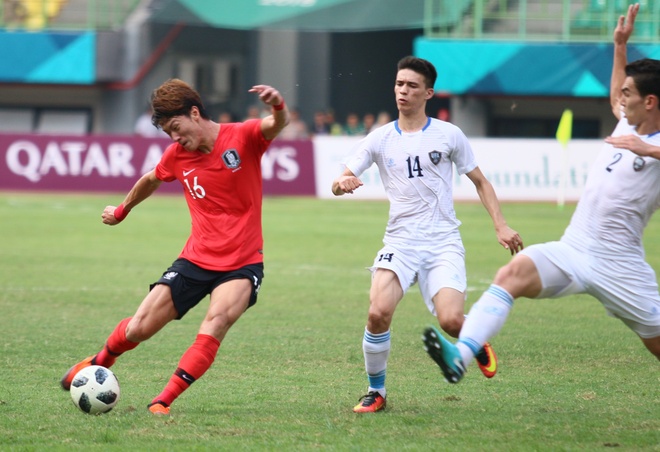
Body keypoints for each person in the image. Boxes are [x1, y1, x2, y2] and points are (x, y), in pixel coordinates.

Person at [423, 3, 660, 387]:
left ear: (649, 102)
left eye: (629, 93)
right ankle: (461, 356)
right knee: (511, 274)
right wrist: (620, 46)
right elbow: (617, 91)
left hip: (621, 267)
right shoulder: (626, 119)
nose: (620, 98)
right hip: (575, 249)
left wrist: (648, 149)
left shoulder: (650, 141)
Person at [60, 78, 290, 415]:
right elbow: (151, 179)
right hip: (194, 260)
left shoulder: (242, 137)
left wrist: (278, 106)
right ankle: (100, 360)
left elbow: (276, 124)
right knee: (140, 326)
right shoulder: (177, 155)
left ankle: (163, 400)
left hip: (242, 263)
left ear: (195, 113)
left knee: (215, 322)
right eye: (168, 133)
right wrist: (123, 211)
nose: (175, 138)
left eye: (176, 128)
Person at [332, 56, 523, 413]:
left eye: (412, 86)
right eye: (399, 84)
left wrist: (501, 224)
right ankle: (377, 392)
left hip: (442, 243)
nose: (403, 91)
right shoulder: (380, 138)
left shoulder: (449, 135)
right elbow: (338, 182)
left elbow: (480, 182)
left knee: (451, 321)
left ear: (428, 92)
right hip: (400, 244)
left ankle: (474, 339)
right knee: (377, 313)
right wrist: (343, 183)